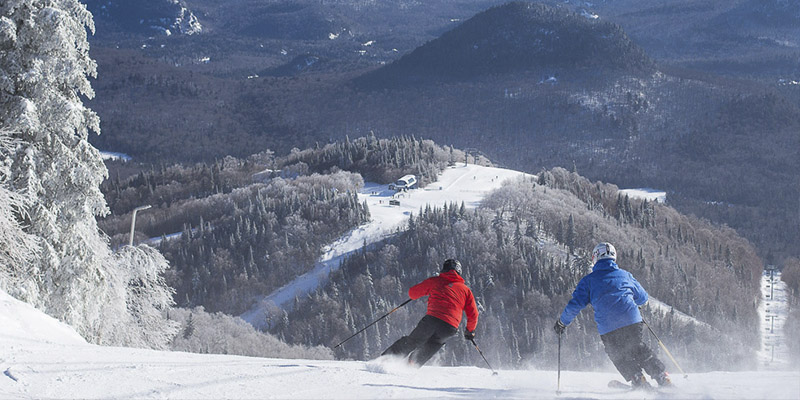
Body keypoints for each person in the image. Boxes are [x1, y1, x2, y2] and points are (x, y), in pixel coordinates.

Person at [553, 242, 672, 388]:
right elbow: (643, 298)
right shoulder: (625, 275)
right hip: (631, 319)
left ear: (594, 258)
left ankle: (637, 378)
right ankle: (661, 376)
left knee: (616, 353)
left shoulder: (588, 281)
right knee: (637, 346)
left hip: (608, 326)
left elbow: (575, 305)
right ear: (614, 256)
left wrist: (562, 323)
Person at [382, 259, 479, 366]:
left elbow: (412, 293)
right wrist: (470, 331)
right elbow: (473, 314)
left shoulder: (436, 281)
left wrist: (427, 290)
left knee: (413, 341)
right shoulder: (466, 290)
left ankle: (385, 361)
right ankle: (411, 365)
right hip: (449, 327)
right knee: (434, 344)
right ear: (459, 271)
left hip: (432, 320)